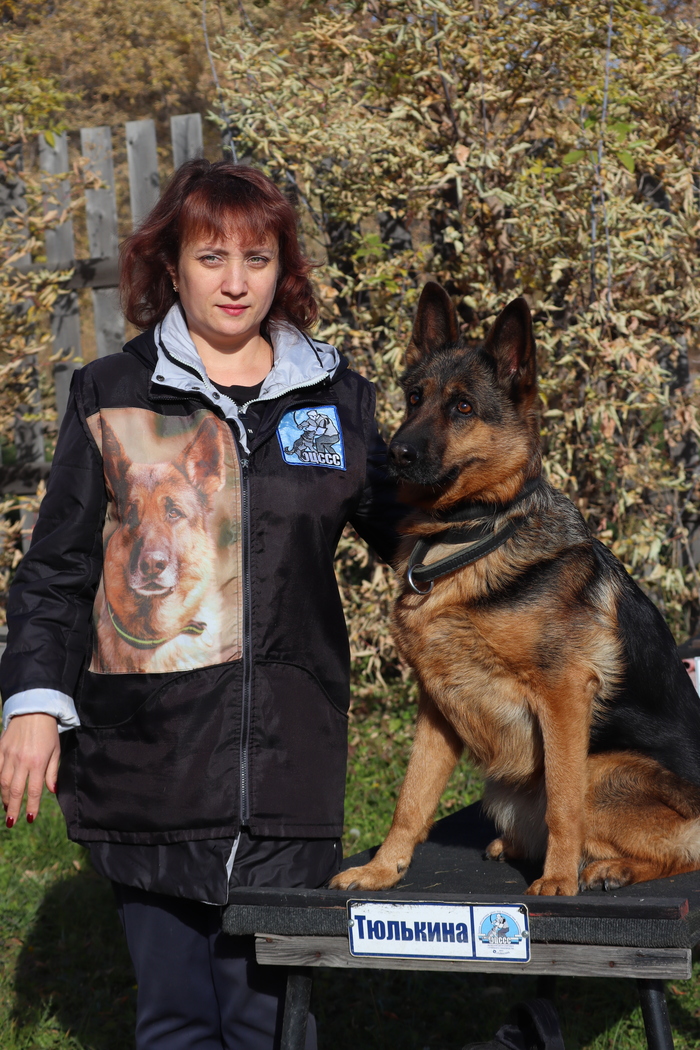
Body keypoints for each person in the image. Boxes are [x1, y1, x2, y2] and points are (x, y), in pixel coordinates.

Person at [0, 159, 403, 1050]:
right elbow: (57, 569)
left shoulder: (337, 399)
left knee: (273, 1023)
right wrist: (31, 702)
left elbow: (424, 543)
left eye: (256, 258)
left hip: (291, 765)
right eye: (211, 256)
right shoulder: (111, 393)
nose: (234, 281)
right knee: (177, 1022)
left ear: (282, 269)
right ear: (171, 265)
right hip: (152, 765)